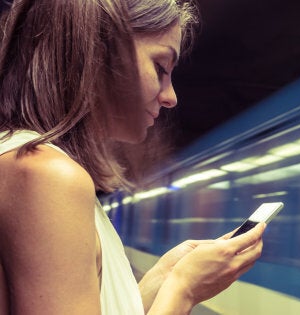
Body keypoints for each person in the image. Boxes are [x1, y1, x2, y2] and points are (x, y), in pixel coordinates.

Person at [0, 0, 266, 314]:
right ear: (98, 52)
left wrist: (164, 275)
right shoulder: (47, 175)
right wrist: (183, 289)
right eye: (161, 68)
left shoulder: (27, 159)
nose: (171, 97)